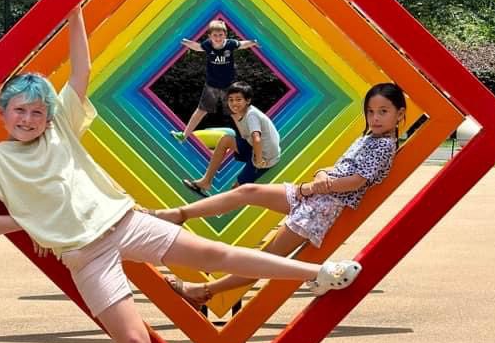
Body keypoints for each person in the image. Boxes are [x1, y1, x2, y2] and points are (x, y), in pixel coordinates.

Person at [0, 6, 363, 343]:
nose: (27, 118)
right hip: (85, 256)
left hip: (124, 221)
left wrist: (72, 12)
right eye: (18, 111)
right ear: (2, 114)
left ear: (48, 117)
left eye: (36, 111)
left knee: (217, 253)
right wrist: (22, 222)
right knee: (133, 339)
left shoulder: (60, 130)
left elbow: (82, 70)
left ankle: (317, 273)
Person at [157, 83, 406, 309]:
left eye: (383, 111)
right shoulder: (370, 138)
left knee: (265, 259)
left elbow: (356, 181)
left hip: (321, 207)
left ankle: (203, 290)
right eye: (371, 111)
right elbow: (344, 169)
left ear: (400, 114)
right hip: (314, 195)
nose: (375, 118)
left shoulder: (383, 145)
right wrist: (321, 174)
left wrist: (318, 185)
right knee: (247, 191)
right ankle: (179, 214)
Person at [182, 81, 281, 197]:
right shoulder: (242, 114)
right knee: (226, 140)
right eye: (231, 99)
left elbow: (257, 139)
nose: (234, 103)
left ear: (248, 101)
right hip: (255, 149)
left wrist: (259, 161)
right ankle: (206, 182)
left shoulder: (251, 115)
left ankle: (219, 208)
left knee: (237, 189)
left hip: (264, 158)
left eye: (238, 99)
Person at [178, 19, 259, 140]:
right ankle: (184, 135)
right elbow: (197, 47)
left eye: (220, 35)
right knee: (201, 111)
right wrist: (184, 41)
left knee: (235, 113)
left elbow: (242, 44)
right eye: (215, 35)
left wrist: (253, 42)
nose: (218, 38)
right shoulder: (208, 45)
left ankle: (246, 138)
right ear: (210, 36)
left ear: (225, 35)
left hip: (229, 86)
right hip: (212, 85)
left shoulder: (230, 44)